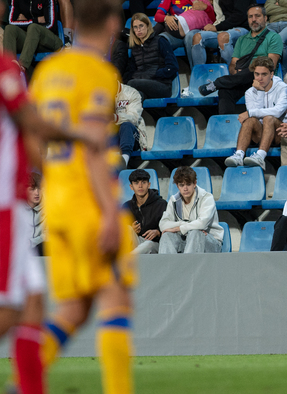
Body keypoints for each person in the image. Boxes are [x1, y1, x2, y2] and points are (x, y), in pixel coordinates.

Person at [29, 1, 137, 393]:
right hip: (87, 202)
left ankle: (26, 382)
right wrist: (110, 212)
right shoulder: (99, 74)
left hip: (54, 203)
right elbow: (92, 146)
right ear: (113, 22)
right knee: (116, 300)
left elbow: (33, 138)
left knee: (75, 309)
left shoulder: (48, 71)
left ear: (70, 20)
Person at [198, 4, 282, 115]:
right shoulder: (242, 40)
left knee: (254, 70)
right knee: (225, 90)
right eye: (250, 17)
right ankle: (226, 125)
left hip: (263, 81)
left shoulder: (273, 37)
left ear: (265, 18)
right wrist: (237, 72)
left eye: (257, 16)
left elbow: (271, 64)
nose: (254, 19)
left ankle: (217, 83)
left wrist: (250, 71)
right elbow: (233, 64)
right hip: (243, 80)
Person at [224, 56, 287, 170]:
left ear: (272, 74)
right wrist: (259, 92)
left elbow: (278, 111)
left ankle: (260, 156)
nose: (260, 78)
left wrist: (250, 112)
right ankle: (239, 155)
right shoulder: (250, 92)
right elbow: (255, 117)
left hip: (281, 134)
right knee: (250, 120)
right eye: (257, 74)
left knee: (269, 118)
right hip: (261, 133)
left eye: (264, 74)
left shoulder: (283, 88)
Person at [159, 166, 224, 254]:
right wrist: (182, 225)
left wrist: (179, 228)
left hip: (210, 242)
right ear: (178, 186)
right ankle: (167, 267)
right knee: (167, 235)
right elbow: (163, 224)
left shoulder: (206, 197)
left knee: (195, 232)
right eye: (181, 185)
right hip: (185, 241)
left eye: (188, 184)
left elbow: (202, 224)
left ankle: (189, 267)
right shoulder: (174, 200)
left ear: (194, 183)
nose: (185, 188)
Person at [124, 13, 179, 101]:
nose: (138, 30)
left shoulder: (160, 41)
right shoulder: (135, 47)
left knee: (131, 84)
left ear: (148, 26)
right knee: (137, 97)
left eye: (141, 26)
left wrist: (155, 74)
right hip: (143, 85)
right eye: (135, 27)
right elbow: (132, 70)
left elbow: (173, 66)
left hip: (161, 84)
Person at [3, 0, 61, 77]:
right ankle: (9, 70)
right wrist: (36, 20)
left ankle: (21, 69)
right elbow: (12, 22)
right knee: (10, 29)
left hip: (50, 40)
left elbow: (51, 25)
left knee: (33, 28)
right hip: (30, 40)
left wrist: (28, 21)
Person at [190, 0, 250, 67]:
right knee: (198, 37)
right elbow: (219, 17)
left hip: (242, 28)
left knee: (223, 37)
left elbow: (240, 16)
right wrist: (213, 27)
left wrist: (217, 27)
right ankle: (200, 75)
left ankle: (231, 74)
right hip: (224, 28)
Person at [123, 169, 168, 255]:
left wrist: (158, 232)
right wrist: (132, 229)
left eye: (143, 182)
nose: (140, 186)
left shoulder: (161, 204)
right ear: (131, 187)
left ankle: (126, 260)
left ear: (149, 185)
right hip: (137, 242)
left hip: (155, 244)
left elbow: (170, 227)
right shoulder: (127, 206)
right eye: (136, 183)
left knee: (148, 244)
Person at [115, 81, 147, 167]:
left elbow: (133, 118)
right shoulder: (100, 95)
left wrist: (116, 118)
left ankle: (124, 162)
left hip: (132, 135)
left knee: (126, 125)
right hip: (113, 136)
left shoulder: (131, 93)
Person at [25, 172, 44, 256]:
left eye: (39, 188)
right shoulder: (19, 212)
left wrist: (31, 242)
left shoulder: (47, 210)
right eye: (32, 189)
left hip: (41, 253)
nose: (37, 193)